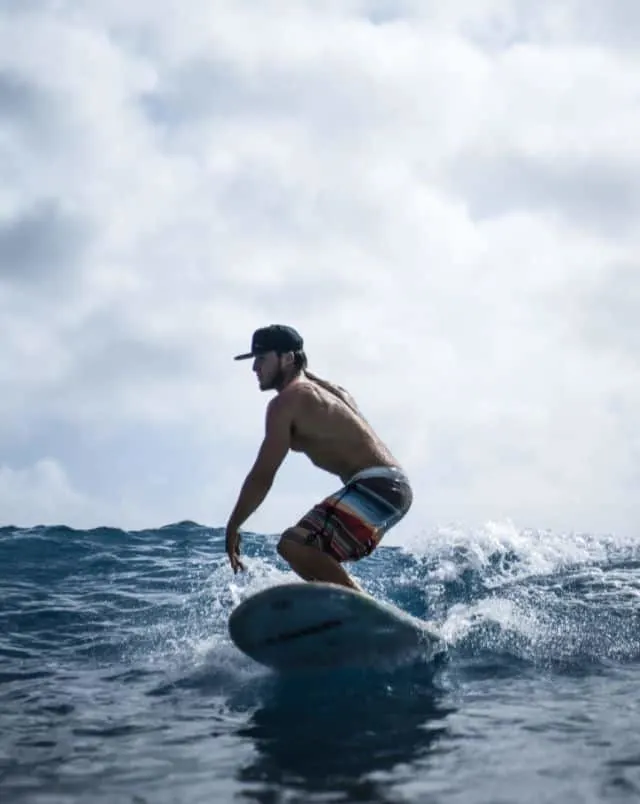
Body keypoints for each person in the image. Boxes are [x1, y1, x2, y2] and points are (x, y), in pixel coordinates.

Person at [225, 324, 413, 593]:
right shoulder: (330, 391)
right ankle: (352, 608)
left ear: (287, 358)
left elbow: (262, 476)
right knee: (311, 549)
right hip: (394, 490)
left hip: (375, 487)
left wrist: (233, 526)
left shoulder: (286, 402)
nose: (255, 368)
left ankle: (358, 607)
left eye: (262, 358)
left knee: (293, 545)